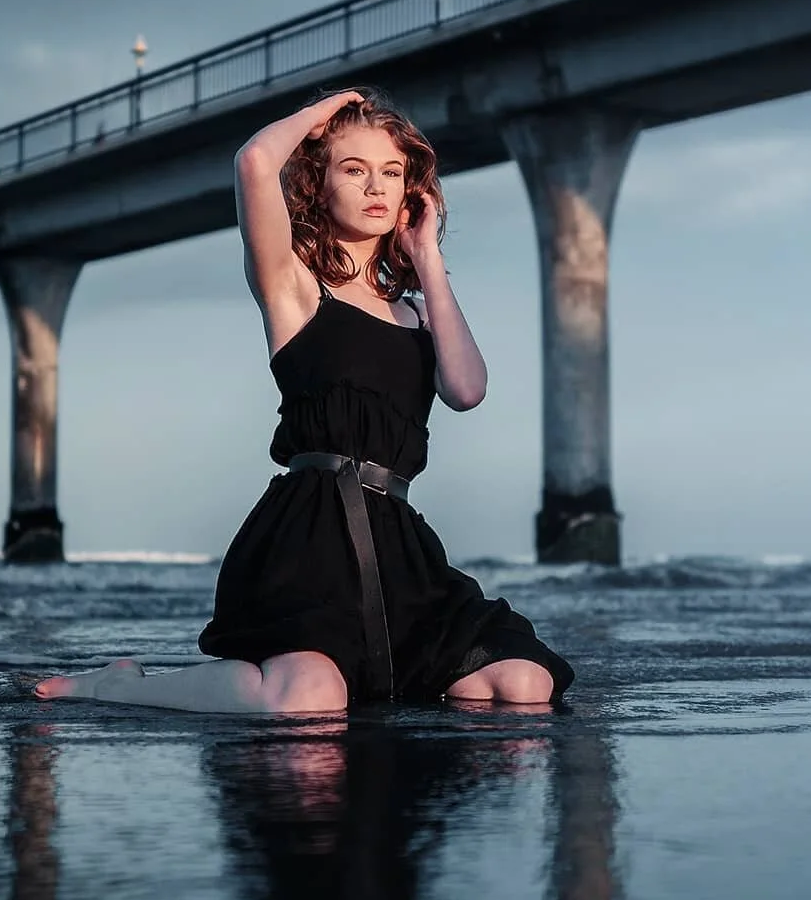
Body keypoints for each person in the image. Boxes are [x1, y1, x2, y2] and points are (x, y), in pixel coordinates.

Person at [34, 87, 574, 713]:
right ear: (319, 186)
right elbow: (255, 162)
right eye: (354, 169)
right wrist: (331, 112)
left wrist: (428, 259)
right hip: (309, 538)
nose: (376, 186)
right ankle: (127, 686)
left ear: (410, 193)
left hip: (399, 544)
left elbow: (467, 390)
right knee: (308, 699)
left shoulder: (422, 313)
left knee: (523, 685)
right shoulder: (294, 288)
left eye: (391, 173)